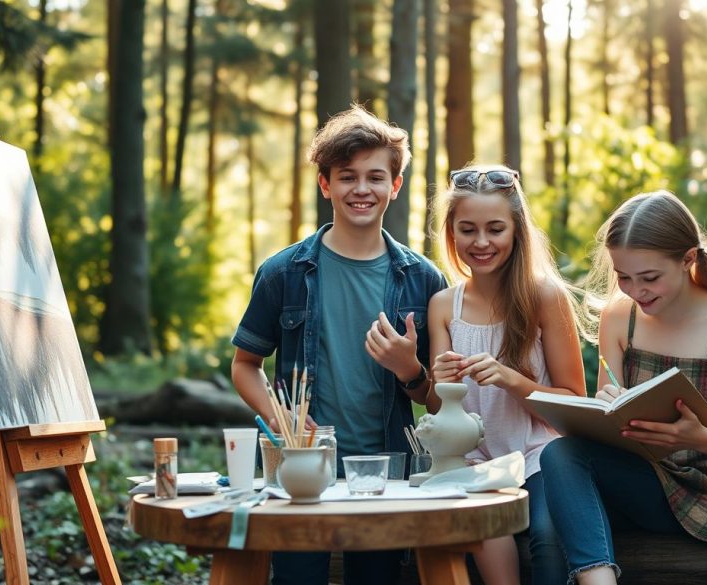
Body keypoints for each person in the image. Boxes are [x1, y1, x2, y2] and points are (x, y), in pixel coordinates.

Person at [230, 104, 447, 585]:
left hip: (387, 474)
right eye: (347, 177)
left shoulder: (426, 280)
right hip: (302, 470)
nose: (361, 189)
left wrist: (410, 370)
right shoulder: (282, 273)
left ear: (395, 185)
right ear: (326, 184)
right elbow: (245, 365)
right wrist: (278, 416)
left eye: (375, 177)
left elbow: (438, 398)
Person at [539, 190, 707, 584]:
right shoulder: (620, 316)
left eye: (650, 278)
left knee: (560, 492)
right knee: (549, 509)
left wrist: (699, 438)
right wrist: (606, 407)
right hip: (641, 477)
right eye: (624, 277)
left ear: (688, 259)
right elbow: (607, 429)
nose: (637, 291)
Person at [428, 164, 586, 585]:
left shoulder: (544, 297)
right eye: (467, 230)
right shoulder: (444, 306)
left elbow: (573, 404)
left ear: (517, 231)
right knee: (481, 533)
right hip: (474, 462)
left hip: (540, 457)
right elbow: (437, 409)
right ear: (451, 232)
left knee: (549, 537)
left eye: (495, 229)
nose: (481, 242)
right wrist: (438, 382)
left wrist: (511, 379)